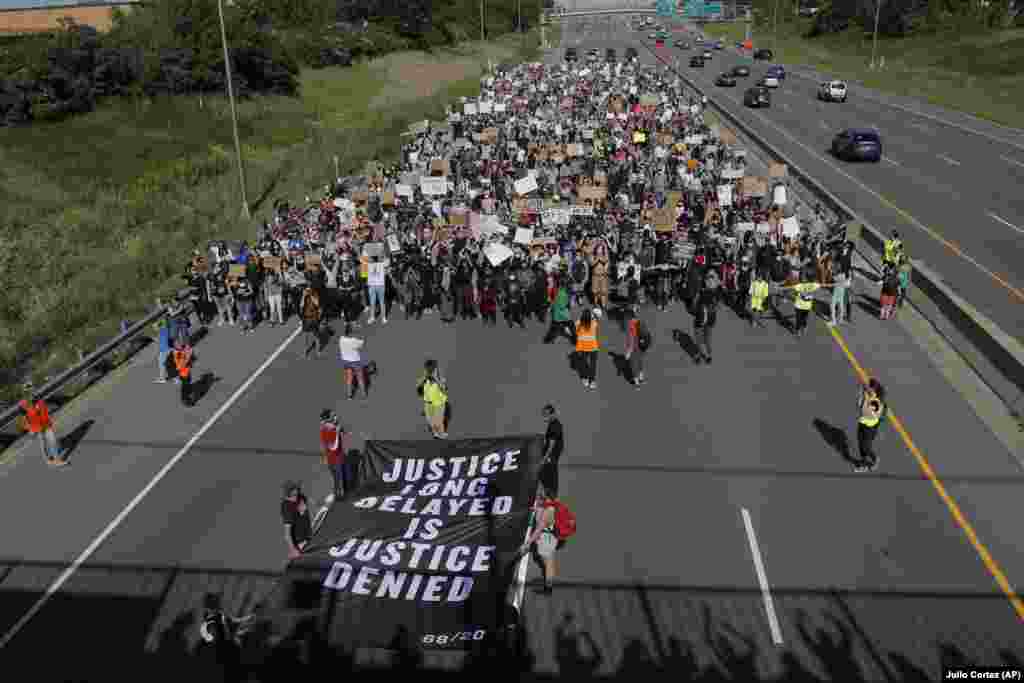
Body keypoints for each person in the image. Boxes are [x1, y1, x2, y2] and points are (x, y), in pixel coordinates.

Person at [520, 489, 558, 595]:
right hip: (549, 537)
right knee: (547, 563)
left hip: (546, 539)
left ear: (544, 499)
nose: (536, 500)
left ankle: (548, 589)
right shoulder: (548, 508)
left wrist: (528, 542)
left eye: (539, 498)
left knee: (548, 565)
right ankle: (548, 585)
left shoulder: (547, 511)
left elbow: (538, 530)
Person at [19, 393, 66, 466]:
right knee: (43, 444)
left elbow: (45, 411)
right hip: (37, 428)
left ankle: (57, 460)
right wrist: (30, 429)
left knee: (53, 441)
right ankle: (47, 459)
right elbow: (24, 420)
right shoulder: (23, 405)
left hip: (46, 425)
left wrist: (50, 420)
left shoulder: (39, 400)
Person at [854, 378, 886, 473]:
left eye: (870, 389)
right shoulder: (867, 395)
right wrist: (862, 394)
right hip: (863, 422)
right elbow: (859, 406)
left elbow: (866, 410)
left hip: (870, 426)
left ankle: (875, 459)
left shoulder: (876, 401)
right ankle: (863, 463)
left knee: (866, 446)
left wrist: (863, 396)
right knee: (860, 443)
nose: (869, 390)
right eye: (869, 388)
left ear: (874, 390)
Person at [320, 410, 351, 500]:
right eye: (333, 416)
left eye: (335, 415)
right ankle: (339, 500)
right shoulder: (324, 431)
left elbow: (346, 433)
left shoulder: (334, 426)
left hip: (341, 457)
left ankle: (347, 494)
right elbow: (333, 447)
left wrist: (342, 430)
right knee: (338, 482)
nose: (336, 417)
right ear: (327, 419)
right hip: (334, 461)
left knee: (347, 477)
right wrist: (337, 432)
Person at [281, 480, 312, 560]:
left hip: (311, 536)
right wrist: (293, 550)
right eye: (295, 489)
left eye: (297, 488)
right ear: (290, 493)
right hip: (301, 543)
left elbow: (311, 502)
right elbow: (287, 534)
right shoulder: (287, 508)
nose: (298, 490)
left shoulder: (300, 497)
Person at [418, 359, 449, 439]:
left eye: (432, 369)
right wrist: (423, 380)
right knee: (431, 423)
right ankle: (439, 435)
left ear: (435, 369)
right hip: (428, 404)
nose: (429, 371)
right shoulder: (424, 379)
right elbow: (419, 391)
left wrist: (436, 379)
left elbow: (444, 389)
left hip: (439, 404)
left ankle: (441, 435)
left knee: (437, 422)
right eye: (428, 369)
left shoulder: (440, 378)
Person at [338, 323, 369, 400]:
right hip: (355, 361)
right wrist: (361, 332)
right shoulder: (354, 341)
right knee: (360, 378)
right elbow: (362, 344)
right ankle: (363, 394)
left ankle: (349, 395)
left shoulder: (341, 339)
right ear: (352, 332)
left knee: (349, 378)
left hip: (346, 361)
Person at [540, 405, 565, 497]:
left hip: (551, 456)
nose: (544, 417)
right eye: (543, 414)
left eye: (546, 414)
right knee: (545, 474)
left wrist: (545, 458)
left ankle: (551, 495)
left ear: (552, 414)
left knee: (547, 475)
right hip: (551, 456)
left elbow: (551, 445)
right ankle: (549, 493)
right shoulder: (552, 424)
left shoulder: (555, 426)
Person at [574, 307, 600, 390]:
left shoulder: (579, 323)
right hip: (593, 347)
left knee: (584, 364)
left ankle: (585, 379)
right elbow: (595, 321)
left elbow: (575, 329)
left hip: (583, 347)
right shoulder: (594, 323)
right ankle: (592, 382)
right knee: (593, 365)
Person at [624, 306, 649, 387]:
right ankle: (641, 378)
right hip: (641, 346)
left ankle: (637, 383)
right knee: (640, 362)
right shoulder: (640, 322)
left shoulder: (629, 325)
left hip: (634, 347)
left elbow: (630, 339)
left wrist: (628, 351)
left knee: (633, 365)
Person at [544, 278, 574, 344]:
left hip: (557, 315)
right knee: (572, 327)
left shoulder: (559, 291)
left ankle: (547, 339)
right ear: (566, 285)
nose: (571, 286)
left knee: (553, 328)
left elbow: (554, 301)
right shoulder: (563, 294)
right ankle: (575, 340)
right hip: (563, 314)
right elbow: (562, 305)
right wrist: (568, 302)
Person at [300, 286, 322, 358]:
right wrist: (303, 296)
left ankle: (318, 351)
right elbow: (301, 305)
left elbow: (317, 303)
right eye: (307, 290)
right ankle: (304, 351)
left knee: (316, 336)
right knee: (305, 336)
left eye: (309, 290)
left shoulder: (315, 294)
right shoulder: (304, 296)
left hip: (314, 318)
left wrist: (311, 295)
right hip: (306, 318)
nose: (308, 291)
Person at [367, 254, 389, 324]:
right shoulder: (370, 264)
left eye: (371, 258)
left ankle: (383, 317)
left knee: (381, 303)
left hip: (380, 285)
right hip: (373, 286)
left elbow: (387, 260)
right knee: (373, 303)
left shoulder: (381, 264)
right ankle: (372, 317)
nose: (370, 259)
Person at [172, 339, 194, 407]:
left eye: (180, 343)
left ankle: (187, 396)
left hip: (186, 371)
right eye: (178, 344)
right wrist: (188, 356)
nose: (180, 344)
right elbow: (181, 364)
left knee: (187, 384)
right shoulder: (177, 354)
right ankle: (186, 400)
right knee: (185, 387)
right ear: (175, 346)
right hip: (183, 373)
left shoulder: (180, 351)